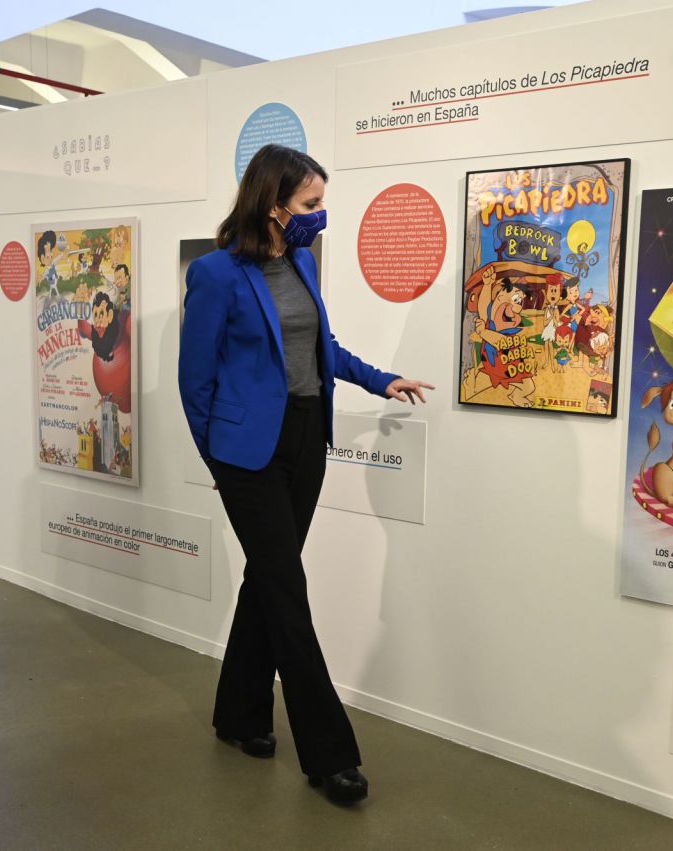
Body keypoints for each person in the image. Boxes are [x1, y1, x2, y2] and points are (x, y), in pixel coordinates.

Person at [178, 144, 432, 805]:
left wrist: (381, 379)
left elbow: (324, 348)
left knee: (268, 579)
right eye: (311, 203)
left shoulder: (302, 261)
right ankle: (329, 754)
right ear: (273, 204)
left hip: (306, 436)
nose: (320, 214)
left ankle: (239, 715)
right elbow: (194, 380)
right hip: (247, 454)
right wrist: (216, 460)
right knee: (288, 591)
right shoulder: (215, 274)